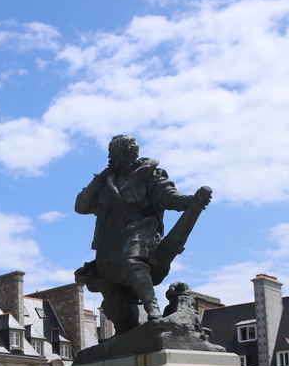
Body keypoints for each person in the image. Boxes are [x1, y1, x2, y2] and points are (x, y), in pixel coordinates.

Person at [74, 135, 212, 334]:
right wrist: (100, 179)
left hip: (141, 231)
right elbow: (81, 206)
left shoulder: (149, 174)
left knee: (133, 260)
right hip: (109, 243)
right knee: (106, 283)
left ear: (126, 153)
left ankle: (152, 308)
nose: (110, 158)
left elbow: (167, 194)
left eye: (113, 154)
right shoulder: (106, 181)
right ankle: (122, 332)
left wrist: (187, 202)